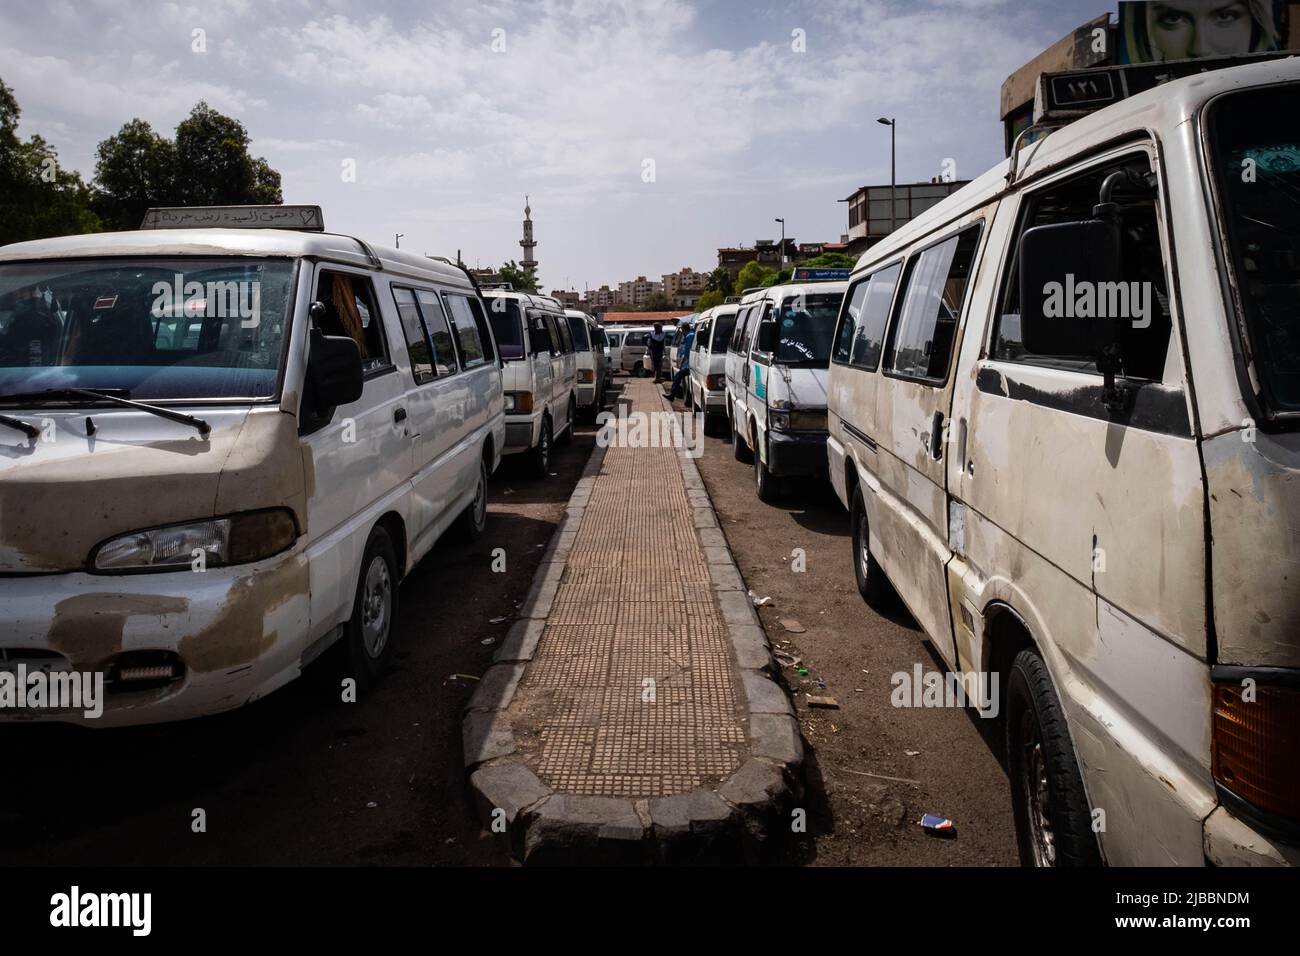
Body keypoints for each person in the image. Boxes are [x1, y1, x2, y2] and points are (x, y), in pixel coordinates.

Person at [669, 323, 695, 399]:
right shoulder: (692, 334)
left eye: (682, 330)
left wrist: (681, 364)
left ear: (684, 329)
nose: (682, 332)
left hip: (690, 364)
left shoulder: (689, 336)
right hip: (692, 363)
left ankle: (672, 395)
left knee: (678, 376)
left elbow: (686, 353)